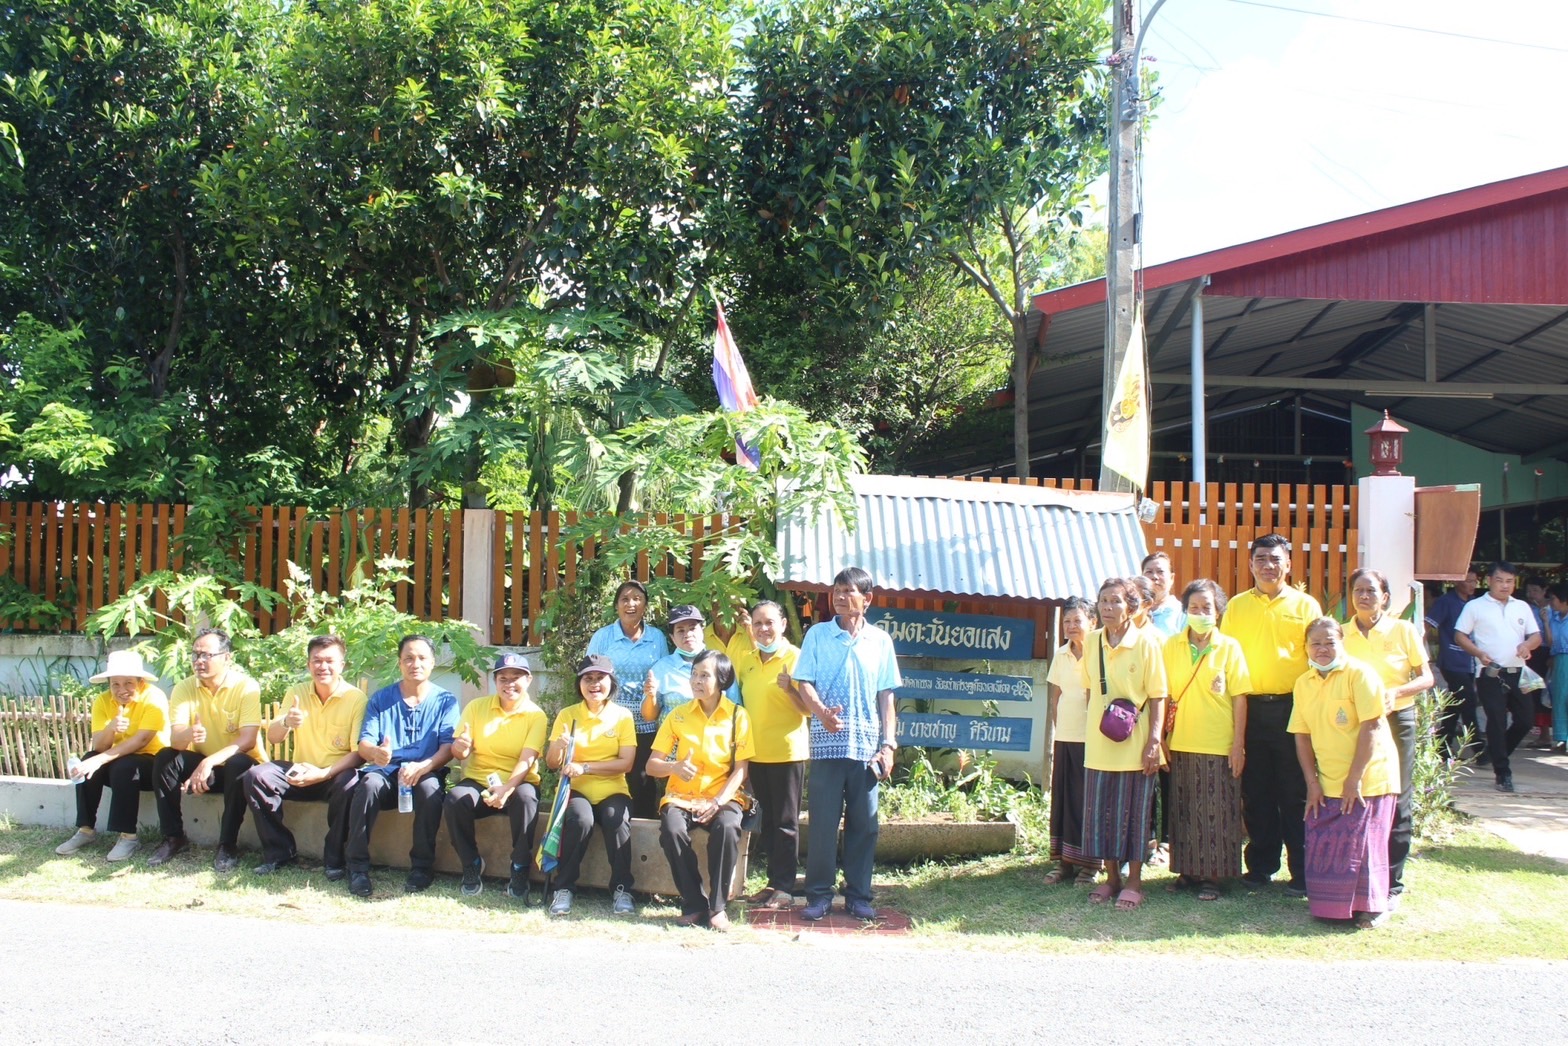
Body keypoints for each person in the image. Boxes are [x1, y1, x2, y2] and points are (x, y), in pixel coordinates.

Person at [789, 566, 901, 922]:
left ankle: (858, 896)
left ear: (867, 600)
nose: (838, 597)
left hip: (868, 749)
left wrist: (889, 745)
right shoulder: (817, 636)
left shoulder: (881, 641)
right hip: (827, 745)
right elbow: (803, 681)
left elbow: (886, 697)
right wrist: (820, 712)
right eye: (836, 591)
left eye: (848, 591)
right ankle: (819, 896)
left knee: (864, 824)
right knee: (822, 823)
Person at [1220, 533, 1322, 895]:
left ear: (1288, 564)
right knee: (1257, 790)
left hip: (1294, 709)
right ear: (1250, 564)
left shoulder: (1306, 606)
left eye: (1275, 559)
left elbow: (1320, 656)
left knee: (1295, 791)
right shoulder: (1236, 607)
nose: (1268, 566)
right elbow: (1225, 660)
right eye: (1260, 559)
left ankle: (1303, 870)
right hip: (1249, 708)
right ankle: (1261, 865)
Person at [1289, 617, 1401, 929]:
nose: (1322, 649)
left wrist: (1355, 779)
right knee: (1331, 844)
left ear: (1342, 643)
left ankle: (1371, 909)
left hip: (1370, 777)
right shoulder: (1304, 683)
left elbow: (1372, 725)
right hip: (1328, 779)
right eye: (1315, 643)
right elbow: (1301, 735)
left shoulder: (1360, 674)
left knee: (1363, 846)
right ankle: (1332, 908)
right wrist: (1312, 783)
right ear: (1307, 648)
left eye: (1329, 642)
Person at [1342, 568, 1433, 903]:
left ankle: (1392, 883)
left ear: (1384, 596)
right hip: (1356, 724)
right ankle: (1356, 874)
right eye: (1357, 591)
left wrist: (1397, 692)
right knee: (1355, 792)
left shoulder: (1403, 630)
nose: (1364, 597)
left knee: (1397, 797)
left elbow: (1426, 678)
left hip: (1397, 721)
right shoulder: (1341, 633)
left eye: (1370, 591)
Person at [242, 634, 367, 877]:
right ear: (309, 664)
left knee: (351, 781)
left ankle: (334, 859)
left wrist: (324, 773)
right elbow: (274, 738)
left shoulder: (355, 698)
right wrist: (288, 721)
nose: (323, 667)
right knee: (256, 776)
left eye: (330, 661)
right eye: (316, 661)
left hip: (334, 774)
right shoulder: (297, 691)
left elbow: (358, 753)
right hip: (300, 772)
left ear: (342, 664)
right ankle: (279, 852)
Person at [345, 634, 459, 897]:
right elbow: (364, 744)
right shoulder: (381, 699)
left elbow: (447, 747)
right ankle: (357, 867)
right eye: (408, 658)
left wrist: (424, 765)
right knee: (369, 783)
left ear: (432, 663)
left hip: (425, 771)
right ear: (400, 663)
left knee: (430, 790)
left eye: (421, 658)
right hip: (386, 772)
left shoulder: (446, 701)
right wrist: (376, 753)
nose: (414, 663)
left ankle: (422, 867)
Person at [647, 650, 755, 930]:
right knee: (671, 830)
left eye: (704, 675)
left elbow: (741, 769)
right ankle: (694, 902)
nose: (696, 680)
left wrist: (718, 802)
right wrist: (674, 768)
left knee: (729, 826)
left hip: (723, 795)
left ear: (722, 680)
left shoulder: (737, 717)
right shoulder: (677, 716)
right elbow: (652, 765)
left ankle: (718, 907)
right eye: (694, 674)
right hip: (681, 797)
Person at [1081, 577, 1168, 911]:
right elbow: (1090, 691)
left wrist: (1154, 742)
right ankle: (1111, 879)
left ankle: (1134, 881)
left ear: (1132, 607)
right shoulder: (1092, 642)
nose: (1107, 607)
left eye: (1115, 601)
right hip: (1100, 743)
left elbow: (1159, 695)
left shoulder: (1147, 643)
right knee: (1101, 813)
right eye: (1103, 601)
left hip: (1136, 744)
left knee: (1133, 815)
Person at [1162, 579, 1251, 901]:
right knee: (1184, 810)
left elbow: (1240, 697)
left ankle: (1213, 875)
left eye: (1207, 608)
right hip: (1181, 741)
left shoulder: (1230, 647)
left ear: (1219, 612)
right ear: (1185, 611)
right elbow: (1163, 695)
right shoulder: (1171, 646)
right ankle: (1187, 870)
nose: (1200, 613)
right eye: (1194, 608)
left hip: (1219, 743)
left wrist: (1238, 744)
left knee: (1217, 811)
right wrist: (1161, 738)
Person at [148, 628, 265, 872]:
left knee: (238, 763)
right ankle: (173, 837)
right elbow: (175, 741)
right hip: (206, 769)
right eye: (195, 655)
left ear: (227, 657)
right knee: (165, 758)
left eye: (206, 655)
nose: (199, 661)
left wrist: (208, 762)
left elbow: (248, 740)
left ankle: (228, 845)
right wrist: (188, 734)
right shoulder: (184, 687)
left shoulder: (246, 686)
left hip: (241, 769)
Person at [446, 652, 548, 900]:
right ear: (495, 680)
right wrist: (460, 747)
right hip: (479, 781)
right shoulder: (476, 707)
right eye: (503, 678)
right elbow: (460, 750)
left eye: (516, 677)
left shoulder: (536, 715)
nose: (509, 683)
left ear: (529, 680)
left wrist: (507, 789)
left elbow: (527, 759)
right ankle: (470, 863)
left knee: (526, 801)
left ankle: (520, 867)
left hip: (519, 781)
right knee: (455, 799)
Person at [544, 653, 638, 917]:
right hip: (577, 790)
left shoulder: (622, 716)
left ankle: (622, 889)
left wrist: (586, 767)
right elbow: (553, 763)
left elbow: (626, 763)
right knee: (580, 819)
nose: (594, 684)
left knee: (615, 818)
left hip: (613, 789)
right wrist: (558, 747)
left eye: (600, 678)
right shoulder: (568, 715)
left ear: (611, 682)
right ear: (580, 684)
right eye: (588, 678)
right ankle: (564, 889)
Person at [55, 650, 169, 863]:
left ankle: (128, 837)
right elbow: (99, 745)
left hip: (153, 764)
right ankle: (85, 830)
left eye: (128, 683)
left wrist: (99, 760)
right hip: (118, 762)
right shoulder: (102, 701)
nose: (121, 690)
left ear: (141, 681)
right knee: (89, 756)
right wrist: (111, 728)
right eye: (115, 684)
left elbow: (141, 741)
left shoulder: (154, 698)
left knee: (121, 765)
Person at [732, 599, 808, 909]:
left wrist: (790, 688)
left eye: (769, 623)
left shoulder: (796, 658)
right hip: (756, 753)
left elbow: (808, 710)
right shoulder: (747, 660)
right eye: (758, 623)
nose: (764, 629)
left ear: (783, 625)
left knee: (786, 822)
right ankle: (773, 883)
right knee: (768, 822)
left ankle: (785, 887)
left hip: (787, 752)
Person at [1454, 561, 1541, 793]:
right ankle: (1503, 772)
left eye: (1510, 581)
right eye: (1500, 580)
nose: (1505, 586)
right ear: (1489, 580)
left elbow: (1536, 636)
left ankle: (1495, 752)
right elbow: (1459, 635)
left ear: (1515, 583)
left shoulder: (1522, 606)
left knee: (1525, 720)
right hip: (1490, 673)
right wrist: (1478, 653)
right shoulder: (1475, 606)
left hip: (1519, 672)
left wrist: (1527, 644)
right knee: (1497, 720)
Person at [587, 580, 669, 819]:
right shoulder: (603, 637)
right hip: (610, 720)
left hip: (646, 719)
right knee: (611, 777)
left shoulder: (657, 637)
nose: (631, 604)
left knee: (642, 779)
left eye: (637, 599)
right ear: (616, 606)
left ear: (645, 605)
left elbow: (662, 673)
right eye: (625, 599)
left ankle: (642, 834)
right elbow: (590, 676)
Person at [1042, 596, 1102, 886]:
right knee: (1064, 801)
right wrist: (1058, 729)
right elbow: (1056, 697)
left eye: (1077, 620)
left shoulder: (1101, 653)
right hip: (1065, 738)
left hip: (1093, 741)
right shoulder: (1061, 654)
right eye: (1066, 621)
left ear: (1093, 621)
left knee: (1087, 801)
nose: (1071, 626)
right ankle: (1064, 863)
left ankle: (1091, 865)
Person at [1424, 569, 1481, 756]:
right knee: (1469, 702)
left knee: (1456, 703)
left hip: (1471, 660)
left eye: (1475, 581)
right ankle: (1478, 746)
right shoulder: (1446, 602)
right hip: (1451, 659)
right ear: (1457, 582)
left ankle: (1441, 744)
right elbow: (1428, 625)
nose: (1472, 585)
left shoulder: (1475, 604)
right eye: (1468, 581)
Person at [1142, 552, 1184, 638]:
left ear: (1172, 578)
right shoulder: (1133, 610)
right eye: (1149, 572)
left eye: (1160, 572)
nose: (1154, 576)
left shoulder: (1181, 612)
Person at [1548, 584, 1568, 754]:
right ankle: (1561, 738)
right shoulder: (1553, 617)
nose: (1551, 602)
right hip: (1558, 660)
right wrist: (1546, 623)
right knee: (1559, 699)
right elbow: (1550, 642)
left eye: (1553, 598)